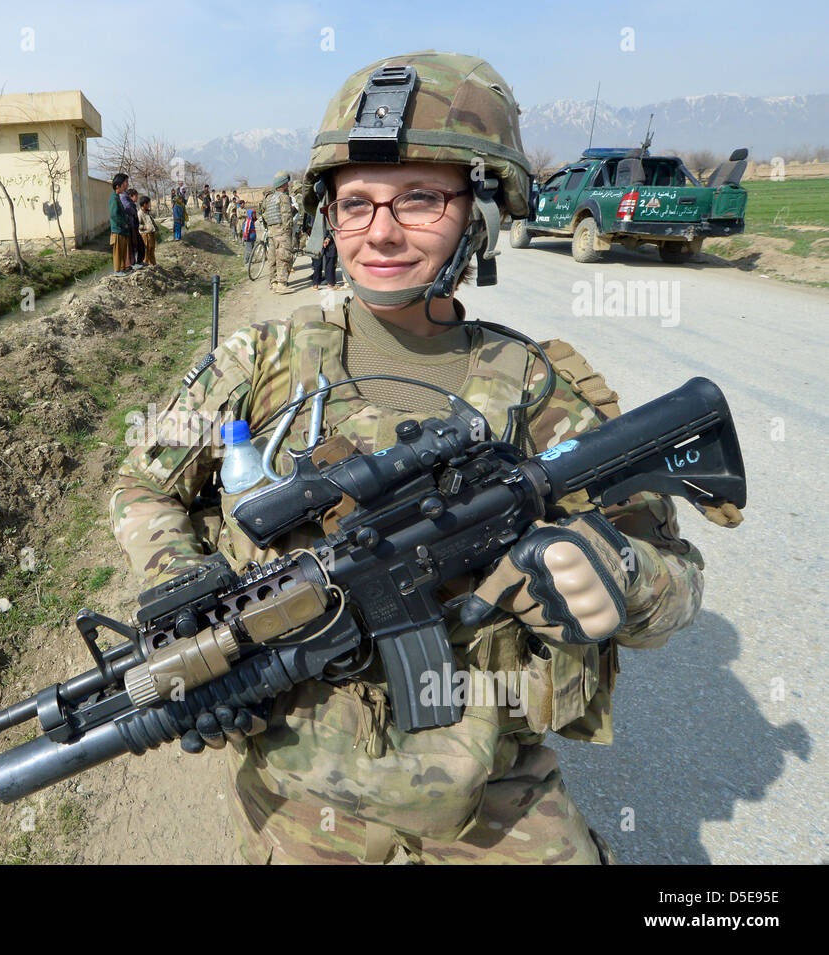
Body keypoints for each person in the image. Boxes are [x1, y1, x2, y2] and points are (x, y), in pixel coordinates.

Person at [110, 51, 710, 865]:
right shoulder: (263, 362)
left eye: (420, 199)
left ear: (483, 214)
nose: (380, 231)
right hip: (295, 793)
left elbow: (676, 578)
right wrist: (197, 613)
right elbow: (143, 485)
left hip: (491, 797)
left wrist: (621, 577)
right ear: (328, 219)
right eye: (354, 204)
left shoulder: (538, 388)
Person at [258, 171, 296, 294]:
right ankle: (281, 284)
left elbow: (265, 216)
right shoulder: (283, 197)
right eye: (287, 183)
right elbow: (286, 216)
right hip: (282, 233)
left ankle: (273, 283)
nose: (288, 185)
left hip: (271, 233)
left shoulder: (269, 198)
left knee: (273, 259)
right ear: (284, 183)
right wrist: (288, 231)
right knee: (284, 257)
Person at [108, 173, 130, 275]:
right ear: (118, 186)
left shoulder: (117, 197)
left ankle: (122, 269)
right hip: (118, 229)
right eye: (124, 183)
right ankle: (117, 270)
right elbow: (114, 215)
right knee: (118, 251)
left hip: (122, 230)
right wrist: (123, 224)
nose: (126, 185)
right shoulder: (113, 198)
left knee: (122, 251)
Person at [310, 219, 339, 289]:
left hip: (317, 235)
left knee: (319, 259)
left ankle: (315, 284)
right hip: (327, 235)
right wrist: (328, 238)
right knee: (329, 260)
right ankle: (330, 283)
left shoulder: (312, 209)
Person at [125, 188, 145, 269]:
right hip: (131, 228)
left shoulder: (132, 204)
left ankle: (139, 261)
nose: (137, 198)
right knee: (133, 246)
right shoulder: (128, 205)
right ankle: (133, 263)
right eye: (136, 196)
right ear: (131, 196)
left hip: (135, 228)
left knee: (140, 245)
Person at [138, 195, 158, 266]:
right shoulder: (140, 213)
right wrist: (145, 227)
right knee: (146, 251)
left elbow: (151, 222)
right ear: (144, 204)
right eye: (148, 203)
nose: (149, 205)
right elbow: (138, 225)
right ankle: (145, 265)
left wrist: (155, 228)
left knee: (151, 250)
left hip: (151, 234)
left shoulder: (147, 212)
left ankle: (153, 264)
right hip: (145, 235)